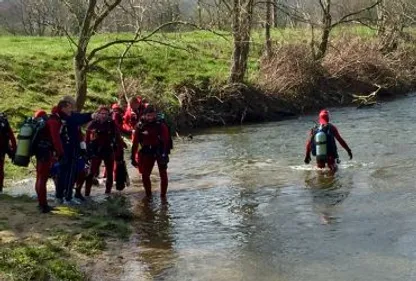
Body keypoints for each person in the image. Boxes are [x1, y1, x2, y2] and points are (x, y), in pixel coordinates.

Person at [55, 97, 94, 204]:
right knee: (67, 173)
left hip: (68, 150)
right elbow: (78, 119)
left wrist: (83, 148)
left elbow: (79, 133)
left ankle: (62, 196)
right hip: (67, 150)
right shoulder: (65, 118)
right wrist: (91, 115)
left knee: (67, 173)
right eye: (70, 107)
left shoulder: (62, 117)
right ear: (64, 107)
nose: (72, 109)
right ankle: (66, 197)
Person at [131, 105, 170, 198]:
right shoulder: (140, 126)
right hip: (147, 150)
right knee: (145, 174)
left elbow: (166, 140)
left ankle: (163, 196)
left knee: (163, 174)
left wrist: (165, 153)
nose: (150, 118)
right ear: (144, 115)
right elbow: (135, 143)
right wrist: (132, 157)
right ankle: (148, 195)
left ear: (155, 115)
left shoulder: (160, 125)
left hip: (160, 149)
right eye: (148, 116)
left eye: (152, 115)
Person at [84, 106, 122, 196]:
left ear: (108, 114)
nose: (103, 115)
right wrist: (87, 151)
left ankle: (107, 193)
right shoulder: (93, 123)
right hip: (96, 150)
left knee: (109, 172)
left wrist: (119, 152)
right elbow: (87, 139)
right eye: (102, 113)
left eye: (105, 114)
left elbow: (117, 137)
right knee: (91, 173)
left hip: (108, 150)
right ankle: (86, 193)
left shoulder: (111, 123)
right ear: (98, 114)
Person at [32, 109, 64, 213]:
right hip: (45, 152)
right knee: (43, 178)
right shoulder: (53, 121)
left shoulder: (44, 122)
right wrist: (60, 152)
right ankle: (43, 205)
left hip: (39, 151)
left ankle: (41, 203)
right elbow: (55, 139)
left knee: (39, 176)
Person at [0, 113, 16, 192]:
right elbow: (12, 137)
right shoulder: (5, 123)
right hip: (2, 149)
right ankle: (0, 188)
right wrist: (14, 149)